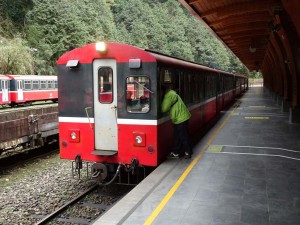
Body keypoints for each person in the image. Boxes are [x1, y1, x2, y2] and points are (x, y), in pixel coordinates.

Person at [161, 84, 193, 159]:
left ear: (162, 91)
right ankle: (175, 152)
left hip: (181, 118)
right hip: (180, 118)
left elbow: (164, 109)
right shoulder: (171, 93)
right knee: (177, 136)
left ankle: (188, 152)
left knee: (183, 136)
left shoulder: (168, 96)